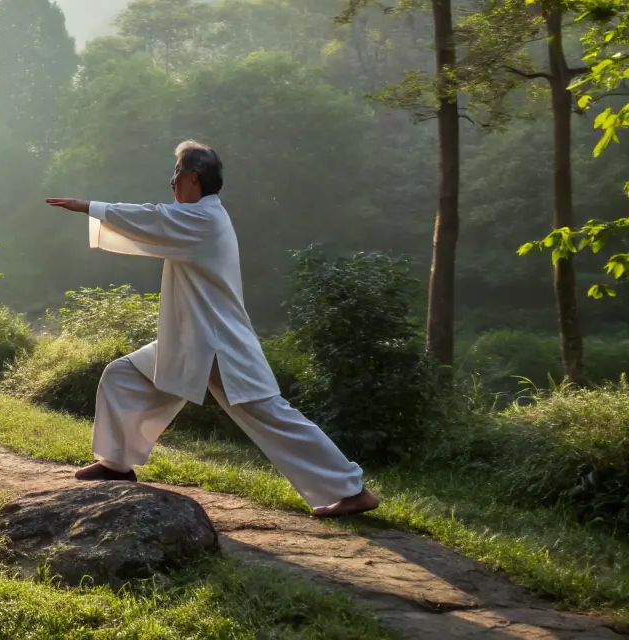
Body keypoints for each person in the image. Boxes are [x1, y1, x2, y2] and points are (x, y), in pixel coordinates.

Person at [45, 140, 379, 518]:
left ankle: (351, 489)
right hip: (193, 339)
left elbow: (152, 218)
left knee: (271, 415)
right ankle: (116, 464)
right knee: (123, 376)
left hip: (218, 343)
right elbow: (157, 220)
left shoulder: (202, 220)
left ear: (191, 177)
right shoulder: (199, 217)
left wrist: (89, 206)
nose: (170, 184)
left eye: (174, 175)